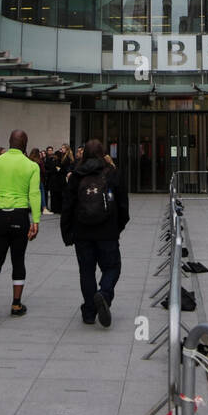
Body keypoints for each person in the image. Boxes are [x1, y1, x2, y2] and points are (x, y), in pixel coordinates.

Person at [61, 138, 129, 326]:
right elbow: (123, 204)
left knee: (86, 271)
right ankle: (104, 293)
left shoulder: (76, 175)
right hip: (107, 231)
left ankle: (89, 311)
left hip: (82, 232)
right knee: (112, 267)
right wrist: (118, 227)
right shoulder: (112, 173)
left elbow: (68, 204)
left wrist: (67, 232)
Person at [0, 130, 41, 319]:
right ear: (25, 144)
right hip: (20, 216)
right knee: (18, 260)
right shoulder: (31, 166)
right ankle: (16, 304)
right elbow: (34, 194)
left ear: (9, 142)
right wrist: (35, 221)